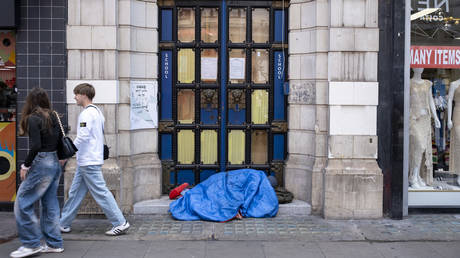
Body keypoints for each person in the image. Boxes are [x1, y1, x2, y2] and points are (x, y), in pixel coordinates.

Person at [59, 83, 130, 236]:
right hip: (88, 160)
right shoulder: (98, 112)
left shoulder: (86, 114)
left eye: (76, 94)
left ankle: (120, 222)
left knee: (101, 192)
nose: (75, 97)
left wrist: (68, 152)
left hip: (88, 161)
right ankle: (63, 223)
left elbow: (83, 136)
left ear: (84, 95)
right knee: (75, 192)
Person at [10, 88, 64, 257]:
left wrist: (25, 166)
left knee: (22, 202)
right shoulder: (54, 115)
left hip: (42, 162)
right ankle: (54, 244)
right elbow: (60, 139)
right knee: (50, 204)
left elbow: (36, 146)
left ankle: (31, 244)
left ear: (30, 102)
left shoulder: (33, 118)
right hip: (55, 161)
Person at [409, 68, 441, 189]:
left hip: (425, 119)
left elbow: (431, 101)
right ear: (412, 68)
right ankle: (412, 177)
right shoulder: (409, 83)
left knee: (421, 148)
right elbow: (406, 101)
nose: (420, 68)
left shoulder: (428, 83)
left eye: (422, 66)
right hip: (413, 119)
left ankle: (415, 175)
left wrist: (436, 117)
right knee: (418, 146)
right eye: (417, 66)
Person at [446, 78, 460, 185]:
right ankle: (459, 173)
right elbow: (450, 100)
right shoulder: (454, 84)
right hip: (457, 114)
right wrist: (449, 119)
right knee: (458, 143)